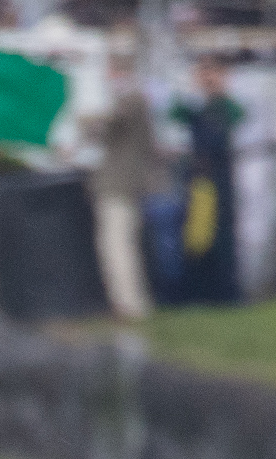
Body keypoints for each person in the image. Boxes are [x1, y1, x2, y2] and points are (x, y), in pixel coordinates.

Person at [168, 56, 247, 306]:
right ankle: (198, 289)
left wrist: (218, 92)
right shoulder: (195, 106)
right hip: (199, 178)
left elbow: (237, 117)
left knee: (222, 233)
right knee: (197, 233)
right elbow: (174, 114)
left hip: (219, 177)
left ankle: (224, 290)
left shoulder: (225, 106)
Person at [90, 61, 164, 320]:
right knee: (121, 243)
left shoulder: (131, 100)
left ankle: (129, 305)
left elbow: (107, 125)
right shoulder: (135, 100)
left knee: (117, 244)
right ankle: (130, 303)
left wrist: (88, 118)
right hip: (124, 184)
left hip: (120, 184)